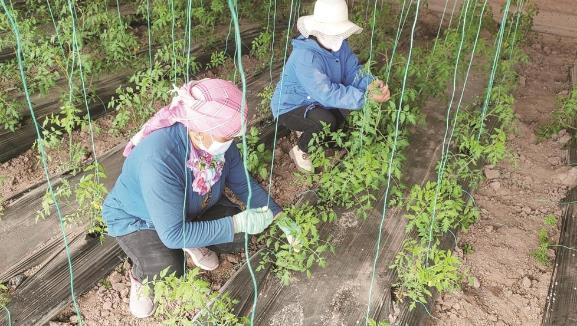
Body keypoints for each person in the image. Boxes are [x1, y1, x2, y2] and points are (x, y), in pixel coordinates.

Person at [102, 78, 282, 318]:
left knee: (242, 237)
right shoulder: (161, 159)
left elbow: (242, 182)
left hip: (189, 208)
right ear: (199, 132)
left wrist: (277, 214)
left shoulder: (216, 141)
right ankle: (141, 277)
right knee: (169, 268)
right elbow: (172, 234)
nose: (231, 142)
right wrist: (237, 222)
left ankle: (193, 239)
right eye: (227, 137)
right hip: (140, 218)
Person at [271, 0, 391, 173]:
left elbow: (353, 71)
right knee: (325, 120)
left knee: (345, 110)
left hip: (317, 100)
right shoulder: (305, 56)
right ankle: (301, 149)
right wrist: (365, 97)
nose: (337, 36)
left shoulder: (341, 46)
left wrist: (370, 82)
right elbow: (326, 93)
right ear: (318, 29)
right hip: (291, 105)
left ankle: (329, 142)